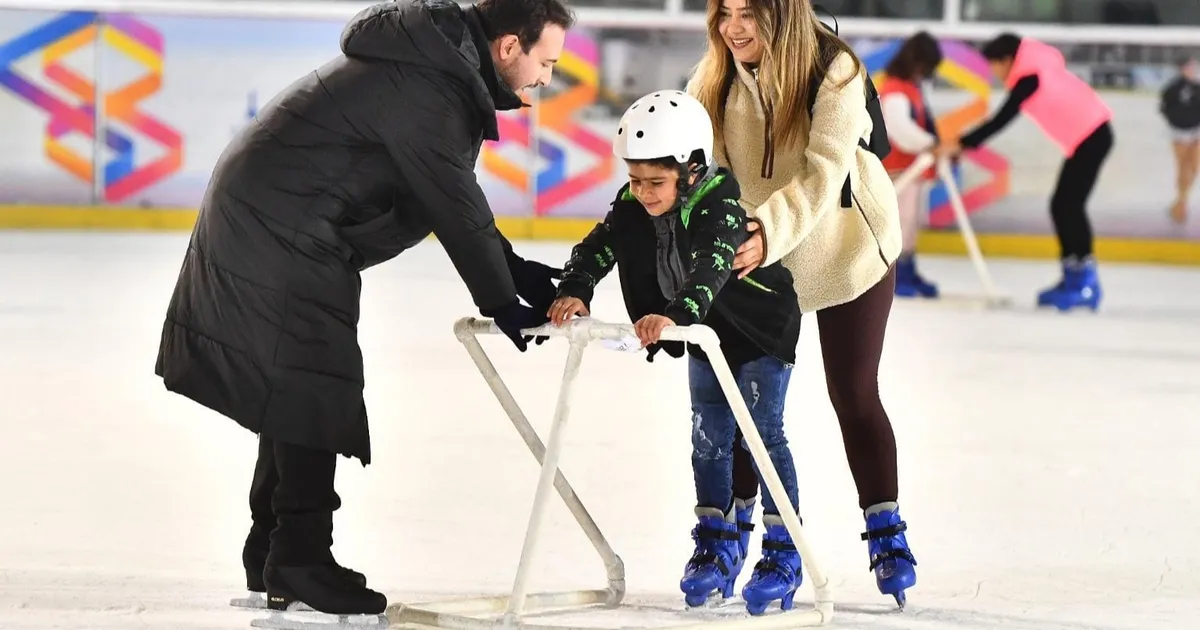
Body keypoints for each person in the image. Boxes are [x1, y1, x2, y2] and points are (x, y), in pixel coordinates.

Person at [153, 0, 573, 619]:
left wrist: (508, 268)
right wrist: (500, 298)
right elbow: (450, 197)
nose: (546, 77)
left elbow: (441, 189)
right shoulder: (431, 85)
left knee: (294, 378)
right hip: (283, 224)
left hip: (275, 213)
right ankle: (300, 557)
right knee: (316, 380)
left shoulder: (434, 68)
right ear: (510, 47)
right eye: (547, 61)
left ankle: (273, 547)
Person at [687, 0, 917, 608]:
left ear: (783, 14)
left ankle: (886, 530)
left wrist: (762, 230)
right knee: (743, 399)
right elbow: (691, 171)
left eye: (748, 14)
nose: (734, 28)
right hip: (758, 257)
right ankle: (732, 532)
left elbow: (823, 173)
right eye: (724, 12)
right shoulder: (711, 81)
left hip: (845, 249)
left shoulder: (835, 71)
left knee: (853, 390)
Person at [547, 90, 804, 614]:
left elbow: (712, 265)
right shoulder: (631, 204)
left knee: (760, 436)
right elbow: (600, 245)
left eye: (654, 182)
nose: (642, 192)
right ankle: (715, 544)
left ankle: (784, 552)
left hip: (757, 331)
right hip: (701, 335)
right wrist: (576, 287)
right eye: (635, 179)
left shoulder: (721, 205)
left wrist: (677, 316)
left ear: (690, 170)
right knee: (708, 436)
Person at [945, 33, 1114, 312]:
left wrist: (961, 144)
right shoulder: (1037, 72)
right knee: (1064, 206)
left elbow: (1001, 120)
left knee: (1068, 206)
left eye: (995, 67)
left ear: (1007, 60)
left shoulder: (1031, 78)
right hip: (1088, 138)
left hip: (1093, 136)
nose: (996, 74)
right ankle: (1075, 277)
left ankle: (1084, 282)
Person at [878, 31, 947, 299]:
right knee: (901, 221)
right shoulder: (896, 89)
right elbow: (900, 130)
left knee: (910, 222)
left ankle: (907, 267)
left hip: (910, 168)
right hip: (897, 169)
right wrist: (931, 143)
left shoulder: (910, 89)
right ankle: (898, 272)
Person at [1160, 56, 1200, 224]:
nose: (1194, 70)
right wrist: (1177, 122)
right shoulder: (1172, 88)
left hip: (1197, 129)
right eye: (1191, 67)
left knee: (1194, 167)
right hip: (1179, 132)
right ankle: (1181, 203)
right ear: (1183, 68)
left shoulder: (1198, 87)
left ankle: (1180, 201)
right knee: (1183, 166)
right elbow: (1165, 108)